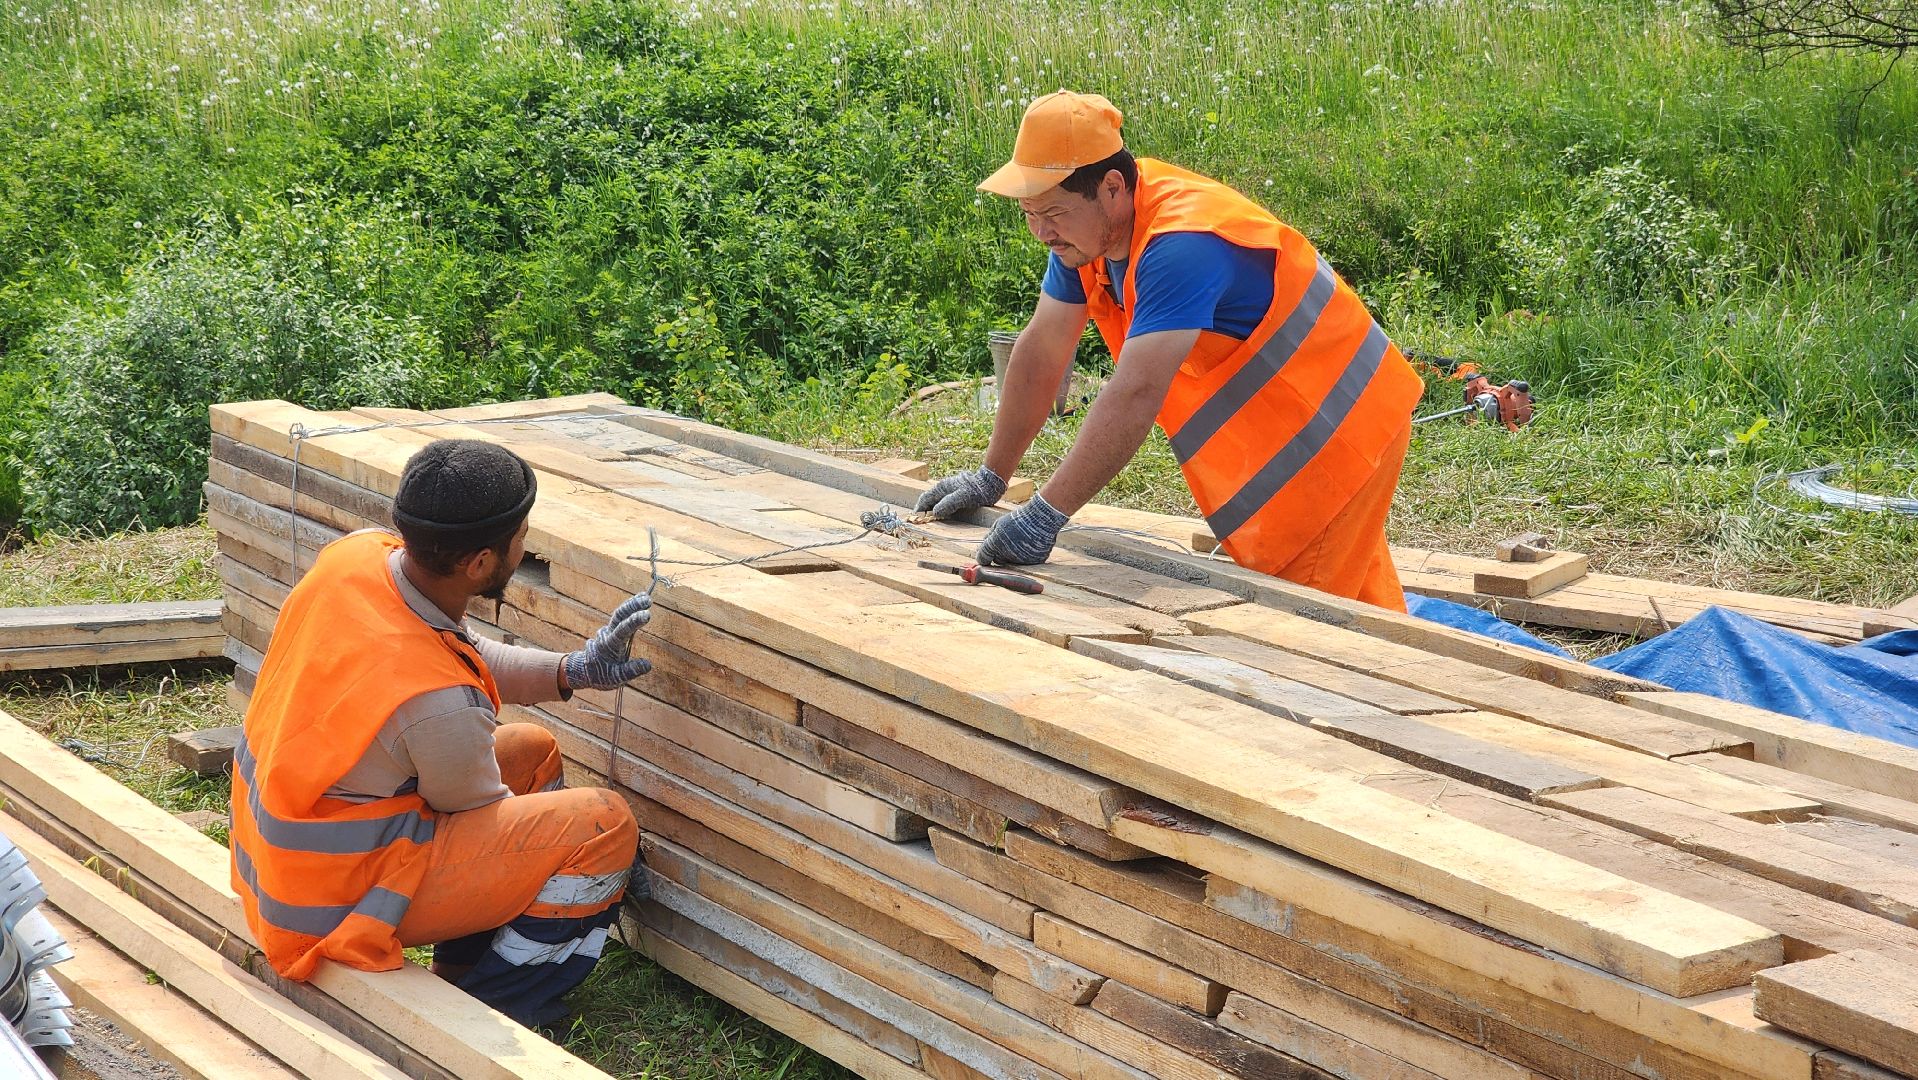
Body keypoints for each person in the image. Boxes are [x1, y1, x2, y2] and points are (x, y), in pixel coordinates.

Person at [919, 91, 1424, 611]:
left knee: (1315, 622)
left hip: (1334, 435)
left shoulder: (1181, 244)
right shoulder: (1083, 236)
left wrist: (1045, 515)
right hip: (1291, 433)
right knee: (1360, 600)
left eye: (1052, 213)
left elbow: (1136, 393)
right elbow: (1044, 347)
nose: (1042, 232)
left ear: (1111, 187)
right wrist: (993, 476)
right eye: (1030, 213)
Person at [228, 439, 652, 1029]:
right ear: (478, 564)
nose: (526, 547)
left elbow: (457, 653)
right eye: (521, 537)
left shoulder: (358, 559)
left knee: (530, 751)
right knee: (603, 824)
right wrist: (571, 859)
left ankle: (467, 959)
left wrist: (572, 671)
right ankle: (498, 1003)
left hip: (288, 863)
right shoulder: (437, 705)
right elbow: (473, 809)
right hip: (329, 907)